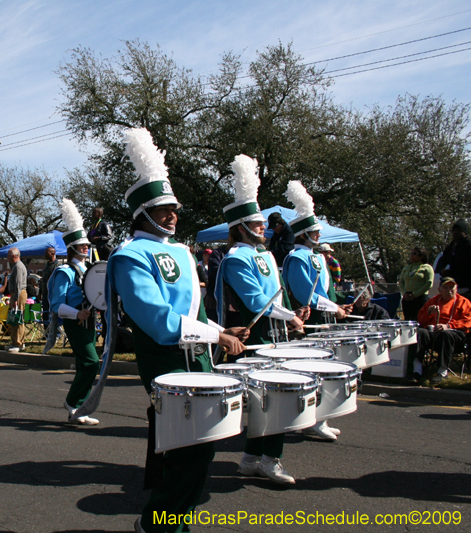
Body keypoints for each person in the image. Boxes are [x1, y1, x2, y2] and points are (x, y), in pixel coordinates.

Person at [113, 128, 246, 533]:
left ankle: (173, 523)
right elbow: (160, 323)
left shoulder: (179, 250)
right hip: (166, 361)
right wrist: (217, 337)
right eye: (164, 209)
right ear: (143, 214)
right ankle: (156, 524)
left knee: (192, 451)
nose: (173, 215)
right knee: (190, 454)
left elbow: (191, 312)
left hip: (197, 359)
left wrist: (221, 328)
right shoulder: (129, 256)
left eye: (174, 208)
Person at [215, 154, 308, 484]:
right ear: (241, 228)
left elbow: (276, 295)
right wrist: (290, 318)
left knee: (266, 402)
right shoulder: (238, 258)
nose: (263, 228)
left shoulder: (264, 253)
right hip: (256, 336)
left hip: (275, 332)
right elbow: (256, 302)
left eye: (263, 224)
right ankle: (270, 460)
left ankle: (252, 458)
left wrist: (292, 313)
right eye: (256, 225)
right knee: (274, 402)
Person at [282, 180, 351, 441]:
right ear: (304, 234)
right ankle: (310, 419)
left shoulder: (317, 257)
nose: (319, 237)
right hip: (312, 319)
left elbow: (327, 291)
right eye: (316, 233)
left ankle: (320, 417)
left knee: (326, 368)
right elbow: (305, 296)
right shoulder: (297, 257)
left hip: (327, 316)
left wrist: (340, 303)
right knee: (314, 370)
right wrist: (333, 307)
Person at [48, 199, 100, 425]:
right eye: (82, 246)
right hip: (75, 321)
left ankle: (78, 409)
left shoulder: (91, 269)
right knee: (91, 362)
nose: (86, 248)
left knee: (83, 364)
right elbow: (56, 304)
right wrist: (76, 314)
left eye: (87, 245)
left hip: (90, 320)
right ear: (72, 249)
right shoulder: (64, 272)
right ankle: (73, 401)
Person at [408, 277, 471, 383]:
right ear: (439, 289)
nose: (449, 290)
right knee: (420, 332)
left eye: (452, 287)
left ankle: (442, 372)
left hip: (454, 335)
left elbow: (467, 321)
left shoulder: (464, 302)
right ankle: (417, 370)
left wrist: (448, 326)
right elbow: (421, 321)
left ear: (457, 288)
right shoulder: (433, 301)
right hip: (433, 333)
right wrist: (429, 314)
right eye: (445, 287)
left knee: (445, 334)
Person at [435, 220, 471, 295]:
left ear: (464, 232)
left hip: (466, 288)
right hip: (451, 288)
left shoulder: (468, 246)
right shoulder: (450, 247)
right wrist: (443, 271)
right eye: (453, 231)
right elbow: (443, 263)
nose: (455, 233)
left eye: (458, 230)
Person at [398, 247, 434, 321]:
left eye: (414, 254)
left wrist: (415, 295)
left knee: (420, 320)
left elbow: (429, 283)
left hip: (420, 298)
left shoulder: (427, 267)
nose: (411, 255)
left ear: (421, 256)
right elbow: (401, 282)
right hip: (407, 298)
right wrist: (404, 293)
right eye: (411, 253)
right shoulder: (406, 268)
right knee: (408, 321)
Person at [5, 248, 28, 353]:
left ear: (14, 256)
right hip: (15, 294)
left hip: (18, 294)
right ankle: (14, 341)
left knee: (18, 318)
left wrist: (15, 298)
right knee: (13, 318)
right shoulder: (15, 266)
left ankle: (19, 343)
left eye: (8, 255)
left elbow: (19, 284)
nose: (7, 257)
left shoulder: (18, 266)